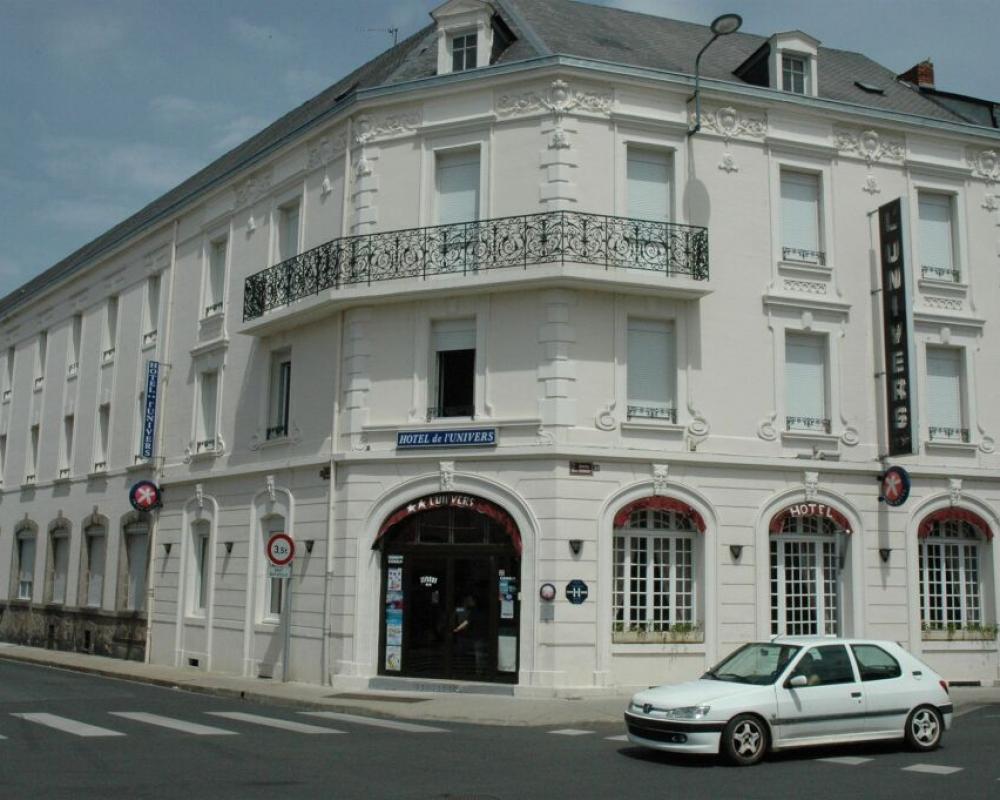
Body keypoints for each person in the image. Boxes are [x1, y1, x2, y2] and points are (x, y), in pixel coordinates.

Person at [453, 595, 487, 675]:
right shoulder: (480, 611)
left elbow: (467, 622)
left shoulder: (474, 612)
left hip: (476, 637)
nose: (469, 602)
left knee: (478, 655)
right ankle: (479, 671)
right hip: (477, 636)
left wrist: (457, 629)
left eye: (470, 600)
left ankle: (478, 672)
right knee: (478, 655)